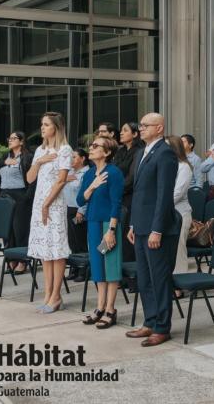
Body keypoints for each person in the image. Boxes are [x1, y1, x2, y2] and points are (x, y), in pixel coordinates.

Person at [125, 113, 181, 347]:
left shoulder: (165, 153)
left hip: (158, 227)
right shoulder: (141, 152)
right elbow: (139, 194)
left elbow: (163, 195)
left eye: (146, 125)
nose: (141, 128)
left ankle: (162, 327)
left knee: (159, 278)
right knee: (144, 278)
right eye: (140, 125)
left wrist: (157, 229)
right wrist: (133, 224)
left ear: (159, 128)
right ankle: (149, 320)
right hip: (140, 225)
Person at [26, 112, 73, 314]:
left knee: (57, 250)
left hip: (54, 204)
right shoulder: (40, 150)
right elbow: (29, 179)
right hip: (39, 204)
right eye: (41, 124)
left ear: (56, 127)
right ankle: (47, 294)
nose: (42, 128)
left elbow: (62, 180)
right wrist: (39, 161)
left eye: (46, 124)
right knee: (45, 252)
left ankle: (56, 296)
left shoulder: (65, 149)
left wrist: (47, 204)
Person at [77, 136, 124, 329]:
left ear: (107, 152)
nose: (91, 148)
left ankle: (110, 310)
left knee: (110, 266)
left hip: (107, 225)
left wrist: (111, 230)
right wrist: (93, 185)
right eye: (91, 145)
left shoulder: (114, 173)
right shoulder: (89, 174)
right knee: (98, 266)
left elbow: (116, 204)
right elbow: (81, 200)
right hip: (93, 223)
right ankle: (99, 307)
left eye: (96, 146)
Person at [0, 131, 34, 273]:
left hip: (20, 194)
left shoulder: (27, 157)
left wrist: (27, 196)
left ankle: (22, 260)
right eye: (9, 138)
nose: (10, 140)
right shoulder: (5, 156)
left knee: (20, 228)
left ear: (21, 141)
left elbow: (33, 180)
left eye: (14, 138)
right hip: (4, 194)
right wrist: (4, 162)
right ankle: (11, 258)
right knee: (7, 230)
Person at [113, 122, 143, 263]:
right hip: (118, 196)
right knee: (117, 233)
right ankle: (119, 272)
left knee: (127, 235)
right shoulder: (120, 151)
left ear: (135, 134)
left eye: (125, 130)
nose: (121, 133)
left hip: (130, 197)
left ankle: (130, 275)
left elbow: (132, 178)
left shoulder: (139, 151)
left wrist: (115, 190)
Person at [165, 135, 193, 282]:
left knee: (179, 250)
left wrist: (160, 204)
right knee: (169, 251)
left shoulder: (184, 166)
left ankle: (180, 283)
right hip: (166, 212)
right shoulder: (166, 165)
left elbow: (178, 192)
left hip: (180, 213)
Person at [63, 148, 89, 282]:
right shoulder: (70, 172)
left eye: (74, 157)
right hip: (68, 209)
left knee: (80, 241)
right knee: (72, 242)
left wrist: (82, 210)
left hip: (78, 209)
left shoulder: (86, 173)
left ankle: (83, 270)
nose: (71, 159)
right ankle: (74, 268)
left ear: (82, 158)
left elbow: (85, 193)